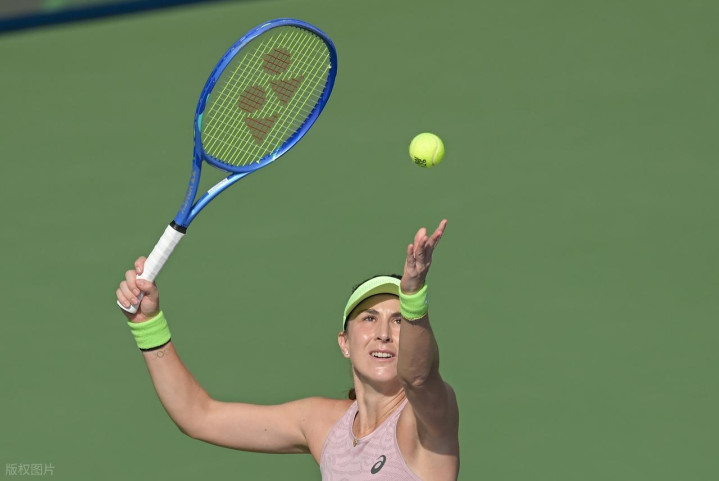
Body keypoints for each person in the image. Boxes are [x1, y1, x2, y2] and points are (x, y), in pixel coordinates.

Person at [115, 219, 458, 480]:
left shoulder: (427, 418)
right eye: (369, 319)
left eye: (399, 321)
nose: (383, 334)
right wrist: (148, 325)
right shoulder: (322, 424)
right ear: (344, 343)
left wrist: (413, 296)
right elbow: (198, 416)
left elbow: (417, 377)